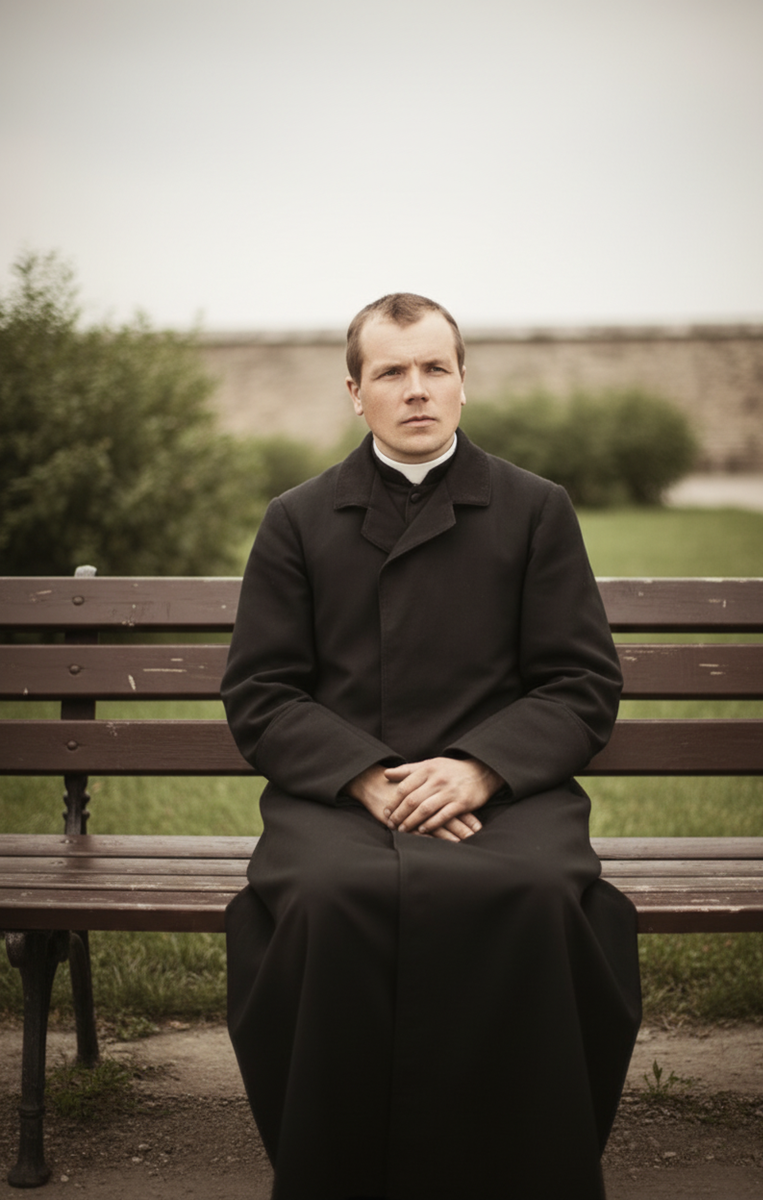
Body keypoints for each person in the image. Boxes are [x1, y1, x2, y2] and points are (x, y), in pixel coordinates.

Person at [222, 293, 641, 1200]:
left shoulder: (535, 509)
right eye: (391, 372)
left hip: (506, 793)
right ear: (355, 392)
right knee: (327, 900)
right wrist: (363, 776)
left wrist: (482, 768)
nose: (416, 389)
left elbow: (580, 682)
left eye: (434, 368)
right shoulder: (297, 518)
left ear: (462, 382)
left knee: (537, 896)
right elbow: (261, 691)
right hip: (339, 796)